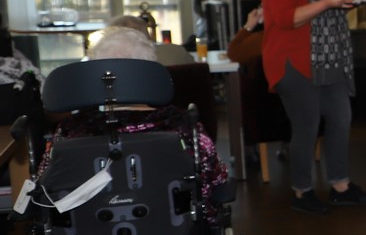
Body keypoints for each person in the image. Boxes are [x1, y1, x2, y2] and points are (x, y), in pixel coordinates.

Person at [40, 26, 229, 220]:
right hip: (173, 226)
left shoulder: (72, 129)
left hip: (87, 230)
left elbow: (46, 185)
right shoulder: (180, 123)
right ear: (149, 72)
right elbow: (216, 179)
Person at [260, 0, 366, 214]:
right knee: (307, 126)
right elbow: (287, 19)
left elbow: (326, 6)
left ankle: (341, 187)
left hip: (327, 57)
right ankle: (302, 191)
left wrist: (346, 1)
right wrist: (326, 3)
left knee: (340, 118)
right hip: (294, 61)